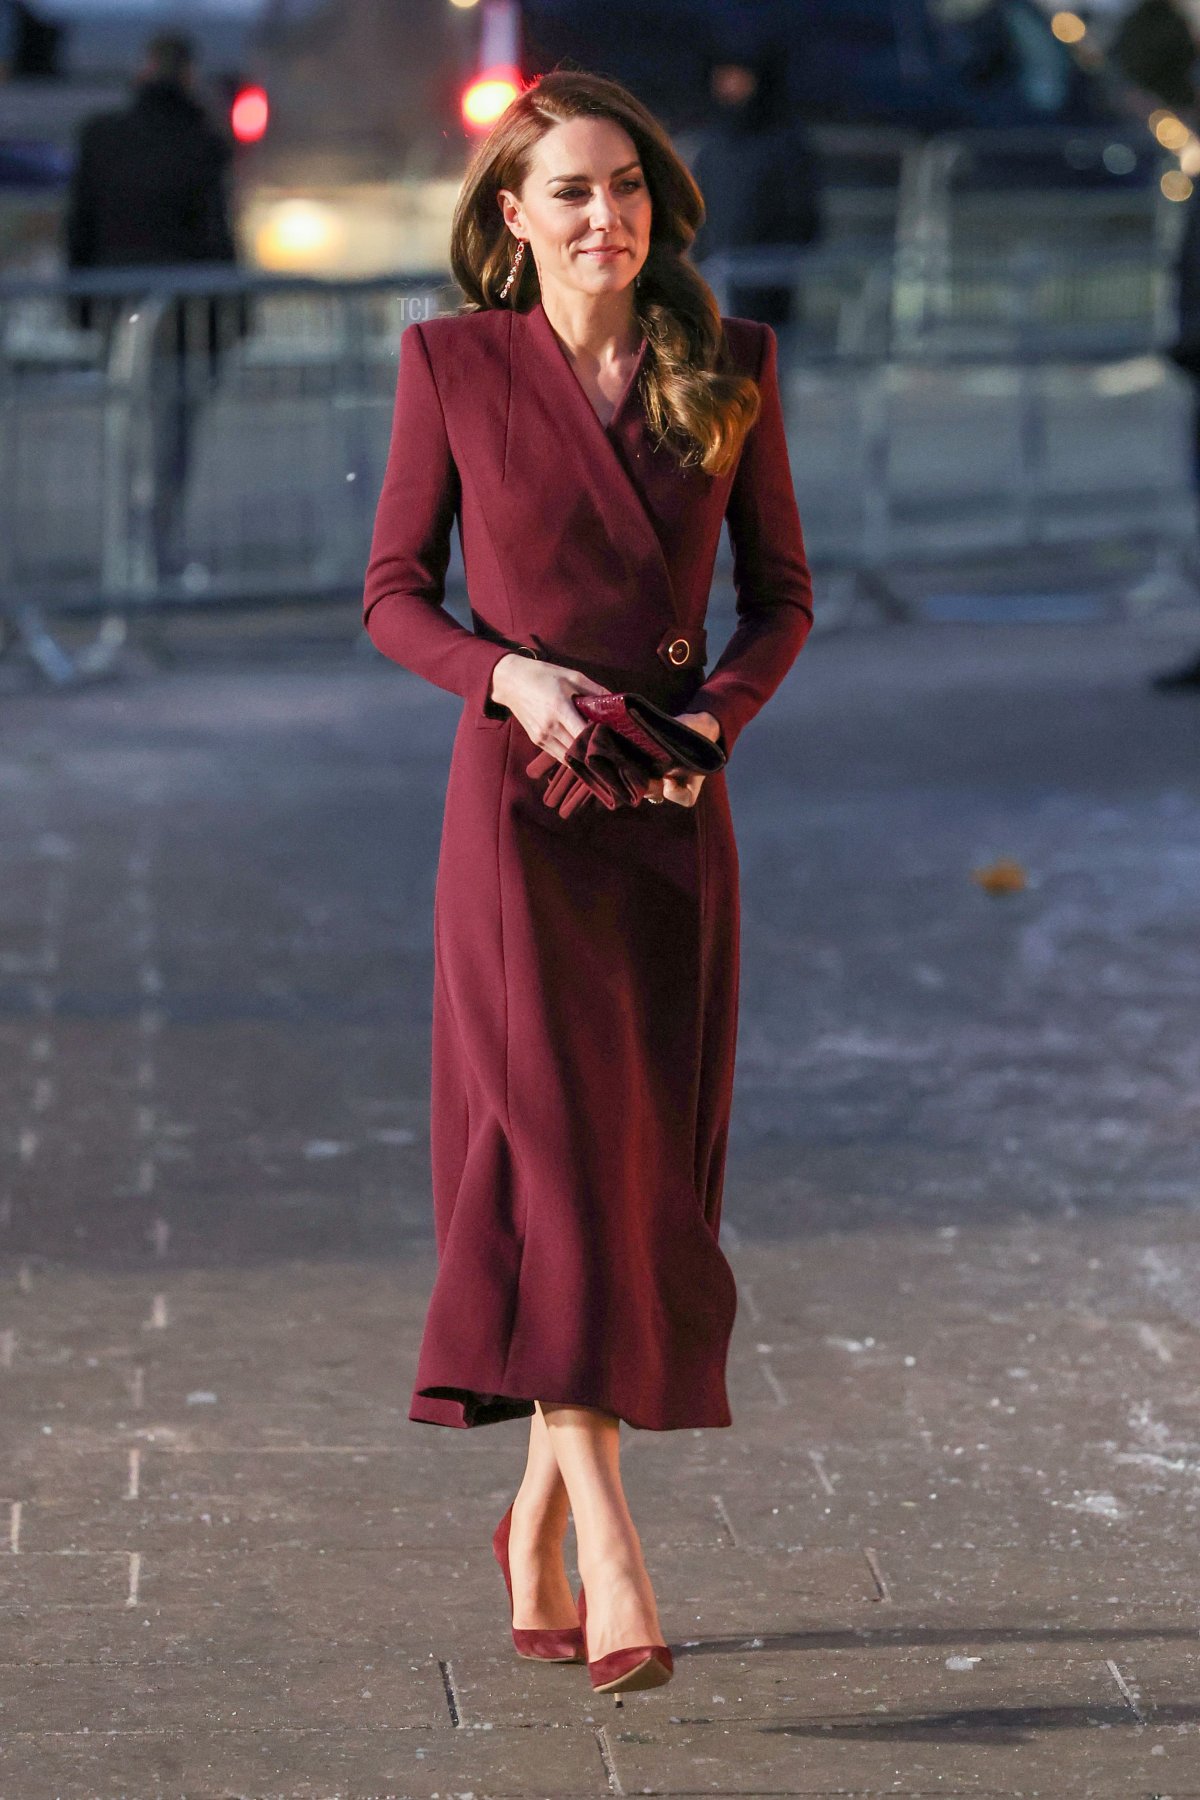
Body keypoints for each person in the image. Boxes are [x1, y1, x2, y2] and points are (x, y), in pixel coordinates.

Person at [361, 69, 813, 1694]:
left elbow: (784, 599)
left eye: (627, 188)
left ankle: (537, 1512)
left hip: (673, 818)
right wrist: (506, 680)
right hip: (520, 814)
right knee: (550, 1166)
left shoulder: (733, 367)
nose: (604, 216)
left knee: (635, 1183)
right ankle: (612, 1545)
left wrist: (718, 718)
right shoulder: (450, 365)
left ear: (657, 207)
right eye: (570, 191)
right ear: (511, 215)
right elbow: (394, 594)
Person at [64, 30, 243, 576]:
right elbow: (217, 236)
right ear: (188, 73)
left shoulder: (103, 137)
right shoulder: (201, 141)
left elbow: (81, 226)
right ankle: (156, 551)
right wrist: (234, 318)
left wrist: (79, 306)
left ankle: (127, 554)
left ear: (145, 69)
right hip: (185, 317)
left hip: (117, 310)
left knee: (126, 436)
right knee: (172, 440)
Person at [689, 46, 823, 328]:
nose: (729, 86)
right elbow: (698, 209)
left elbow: (803, 216)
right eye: (723, 77)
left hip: (769, 281)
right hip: (716, 278)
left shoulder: (786, 144)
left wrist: (772, 260)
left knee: (765, 356)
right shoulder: (712, 146)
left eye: (738, 77)